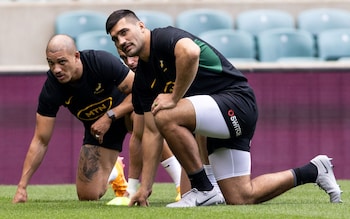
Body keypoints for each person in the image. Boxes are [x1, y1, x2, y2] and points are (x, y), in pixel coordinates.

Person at [105, 10, 342, 207]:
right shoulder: (144, 78)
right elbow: (151, 133)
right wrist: (144, 188)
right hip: (216, 117)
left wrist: (174, 97)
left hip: (237, 103)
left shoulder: (164, 37)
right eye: (115, 39)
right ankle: (313, 170)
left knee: (165, 112)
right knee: (241, 196)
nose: (121, 41)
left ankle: (203, 187)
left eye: (124, 32)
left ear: (141, 27)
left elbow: (191, 52)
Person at [12, 34, 134, 203]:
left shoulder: (100, 61)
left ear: (76, 56)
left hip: (127, 112)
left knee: (147, 116)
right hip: (98, 131)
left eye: (62, 62)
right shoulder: (52, 88)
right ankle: (114, 170)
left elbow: (140, 92)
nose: (56, 69)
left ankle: (181, 189)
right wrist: (22, 187)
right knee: (87, 196)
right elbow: (40, 140)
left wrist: (109, 116)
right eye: (51, 63)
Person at [117, 48, 224, 203]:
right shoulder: (142, 82)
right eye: (124, 58)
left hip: (226, 119)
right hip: (191, 134)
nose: (129, 63)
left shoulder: (176, 62)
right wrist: (134, 188)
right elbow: (140, 135)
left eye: (133, 56)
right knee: (156, 122)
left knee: (241, 195)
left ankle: (212, 185)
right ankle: (203, 187)